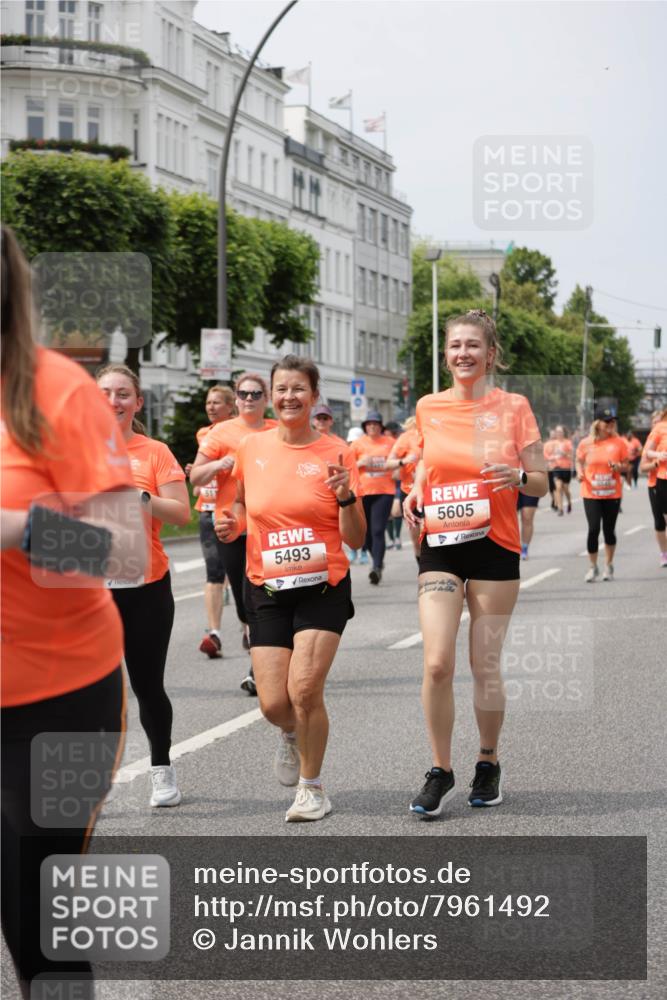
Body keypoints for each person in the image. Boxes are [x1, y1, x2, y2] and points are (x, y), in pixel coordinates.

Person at [1, 226, 146, 996]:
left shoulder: (57, 390)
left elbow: (123, 554)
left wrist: (20, 528)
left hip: (57, 699)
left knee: (36, 916)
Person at [404, 309, 546, 817]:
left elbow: (541, 481)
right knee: (436, 662)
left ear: (490, 354)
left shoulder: (514, 407)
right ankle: (440, 770)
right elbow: (428, 461)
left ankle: (488, 761)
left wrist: (517, 476)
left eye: (472, 345)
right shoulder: (428, 406)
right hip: (442, 542)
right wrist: (415, 490)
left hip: (495, 544)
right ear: (446, 355)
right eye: (455, 345)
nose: (463, 353)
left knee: (483, 663)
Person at [216, 355, 365, 821]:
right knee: (273, 704)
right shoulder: (252, 448)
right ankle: (291, 732)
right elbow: (242, 503)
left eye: (298, 388)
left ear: (314, 395)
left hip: (323, 585)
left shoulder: (337, 453)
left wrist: (345, 496)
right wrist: (233, 523)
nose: (289, 397)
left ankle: (312, 788)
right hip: (267, 586)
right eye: (281, 388)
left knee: (303, 690)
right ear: (271, 395)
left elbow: (357, 538)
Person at [97, 364, 190, 806]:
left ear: (137, 402)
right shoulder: (71, 449)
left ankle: (161, 770)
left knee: (147, 685)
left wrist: (139, 497)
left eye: (122, 394)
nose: (112, 402)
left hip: (145, 587)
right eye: (104, 393)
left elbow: (181, 513)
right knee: (90, 691)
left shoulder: (154, 452)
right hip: (87, 593)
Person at [190, 373, 277, 695]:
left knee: (264, 596)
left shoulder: (277, 430)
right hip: (231, 524)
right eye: (243, 393)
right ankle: (256, 644)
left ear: (266, 398)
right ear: (236, 398)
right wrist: (220, 465)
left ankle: (259, 668)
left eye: (256, 394)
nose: (249, 399)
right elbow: (196, 477)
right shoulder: (221, 432)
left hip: (270, 524)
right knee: (242, 601)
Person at [186, 385, 236, 658]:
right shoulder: (203, 434)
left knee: (242, 575)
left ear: (230, 406)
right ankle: (214, 633)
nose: (211, 407)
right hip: (208, 509)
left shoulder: (242, 433)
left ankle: (250, 631)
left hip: (235, 511)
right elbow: (200, 479)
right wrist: (198, 473)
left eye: (217, 402)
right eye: (208, 402)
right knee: (213, 572)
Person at [575, 409, 629, 582]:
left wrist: (618, 467)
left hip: (612, 494)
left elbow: (627, 465)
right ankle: (593, 567)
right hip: (591, 492)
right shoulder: (586, 443)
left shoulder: (619, 442)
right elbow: (579, 461)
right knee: (593, 529)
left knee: (608, 530)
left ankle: (609, 564)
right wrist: (579, 472)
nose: (611, 424)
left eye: (613, 421)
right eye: (607, 421)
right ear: (597, 423)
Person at [349, 411, 399, 584]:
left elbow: (398, 463)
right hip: (362, 492)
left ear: (380, 426)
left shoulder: (390, 442)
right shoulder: (357, 444)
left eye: (375, 423)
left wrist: (397, 473)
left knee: (377, 530)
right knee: (366, 533)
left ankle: (376, 567)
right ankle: (377, 559)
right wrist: (360, 463)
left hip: (384, 491)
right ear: (365, 426)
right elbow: (347, 468)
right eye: (369, 424)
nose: (372, 426)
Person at [389, 415, 421, 560]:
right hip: (409, 491)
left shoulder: (434, 433)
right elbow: (389, 462)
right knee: (416, 539)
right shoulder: (406, 438)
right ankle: (421, 564)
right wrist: (404, 461)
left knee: (430, 533)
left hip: (432, 492)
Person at [641, 409, 667, 568]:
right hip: (655, 484)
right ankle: (664, 553)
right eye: (655, 422)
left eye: (659, 421)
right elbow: (642, 467)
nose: (658, 424)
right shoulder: (652, 441)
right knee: (660, 522)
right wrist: (656, 462)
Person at [384, 420, 404, 551]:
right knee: (388, 513)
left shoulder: (399, 443)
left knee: (396, 510)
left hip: (397, 482)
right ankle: (391, 539)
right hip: (385, 482)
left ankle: (397, 537)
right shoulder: (383, 444)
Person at [551, 425, 574, 516]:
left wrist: (563, 453)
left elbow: (571, 456)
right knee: (558, 487)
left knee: (566, 489)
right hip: (556, 468)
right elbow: (548, 455)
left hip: (566, 468)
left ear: (564, 433)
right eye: (557, 432)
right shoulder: (553, 443)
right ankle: (560, 509)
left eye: (560, 432)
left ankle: (569, 502)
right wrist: (551, 458)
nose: (559, 433)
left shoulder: (568, 443)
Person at [543, 428, 558, 510]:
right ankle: (553, 499)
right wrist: (550, 458)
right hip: (549, 467)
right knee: (551, 487)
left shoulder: (559, 443)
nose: (553, 435)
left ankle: (556, 502)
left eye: (554, 434)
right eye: (552, 434)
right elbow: (544, 454)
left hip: (558, 467)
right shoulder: (546, 444)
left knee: (557, 486)